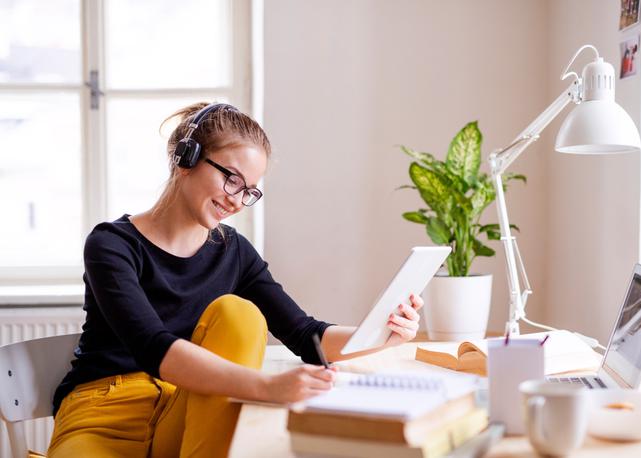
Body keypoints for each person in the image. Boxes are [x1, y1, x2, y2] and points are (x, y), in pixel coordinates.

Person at [47, 102, 424, 457]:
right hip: (105, 411)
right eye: (231, 179)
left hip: (188, 407)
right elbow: (151, 346)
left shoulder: (235, 251)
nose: (237, 201)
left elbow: (306, 335)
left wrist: (382, 333)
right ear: (186, 159)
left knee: (238, 314)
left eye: (249, 191)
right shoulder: (112, 244)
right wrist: (266, 387)